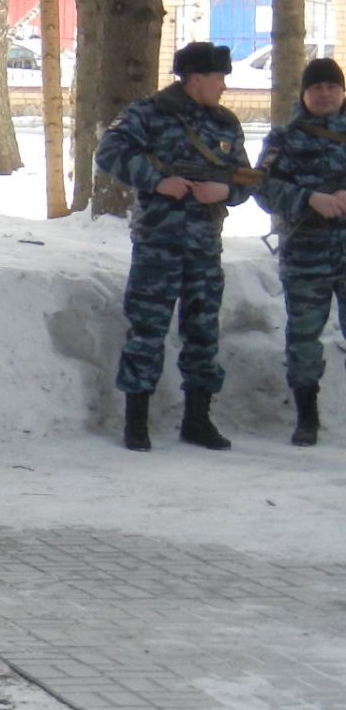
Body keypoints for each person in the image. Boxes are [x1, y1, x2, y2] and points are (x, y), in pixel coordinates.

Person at [95, 41, 254, 452]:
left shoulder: (225, 123)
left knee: (203, 332)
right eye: (219, 78)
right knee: (146, 330)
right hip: (158, 244)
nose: (223, 87)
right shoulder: (148, 113)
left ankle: (198, 420)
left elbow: (244, 179)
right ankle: (136, 423)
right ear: (196, 79)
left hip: (205, 246)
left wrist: (225, 190)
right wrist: (156, 180)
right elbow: (109, 151)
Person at [253, 56, 346, 445]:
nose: (324, 94)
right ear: (304, 94)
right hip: (305, 255)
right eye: (316, 88)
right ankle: (307, 417)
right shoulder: (284, 138)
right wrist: (309, 198)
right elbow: (261, 189)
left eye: (331, 87)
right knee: (304, 339)